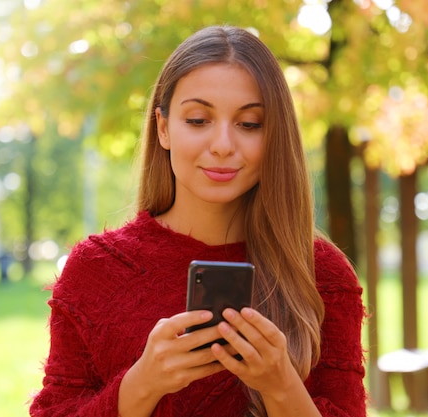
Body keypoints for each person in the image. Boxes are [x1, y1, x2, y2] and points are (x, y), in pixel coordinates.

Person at [29, 25, 366, 417]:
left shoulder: (322, 275)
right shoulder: (95, 270)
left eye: (249, 124)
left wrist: (281, 385)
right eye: (198, 120)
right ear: (164, 128)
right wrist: (143, 383)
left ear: (274, 135)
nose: (223, 144)